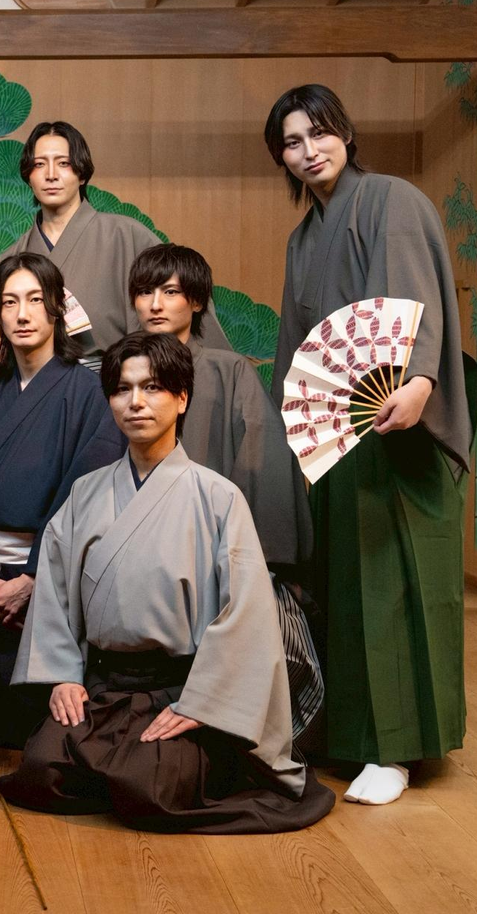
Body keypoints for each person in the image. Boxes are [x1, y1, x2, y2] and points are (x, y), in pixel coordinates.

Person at [0, 332, 335, 833]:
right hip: (104, 686)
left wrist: (202, 703)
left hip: (181, 690)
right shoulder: (86, 492)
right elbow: (55, 592)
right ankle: (116, 766)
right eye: (122, 389)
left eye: (152, 387)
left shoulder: (218, 497)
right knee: (41, 771)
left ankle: (163, 763)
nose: (135, 402)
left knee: (149, 788)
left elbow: (246, 614)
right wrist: (64, 674)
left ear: (181, 399)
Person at [265, 84, 471, 806]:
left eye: (319, 133)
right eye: (292, 143)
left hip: (399, 427)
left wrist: (419, 382)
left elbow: (415, 303)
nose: (309, 151)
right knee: (346, 589)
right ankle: (350, 735)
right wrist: (296, 429)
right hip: (339, 438)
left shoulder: (391, 200)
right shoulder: (302, 239)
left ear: (346, 134)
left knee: (396, 584)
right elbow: (299, 351)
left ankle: (397, 749)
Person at [130, 245, 323, 739]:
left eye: (170, 292)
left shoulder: (228, 370)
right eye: (145, 292)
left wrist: (255, 560)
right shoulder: (123, 371)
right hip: (139, 556)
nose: (156, 304)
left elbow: (262, 460)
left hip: (216, 554)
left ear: (196, 302)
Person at [0, 253, 127, 748]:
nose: (22, 314)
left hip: (47, 582)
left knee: (39, 734)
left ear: (56, 309)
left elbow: (84, 495)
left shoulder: (88, 392)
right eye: (9, 302)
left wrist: (31, 579)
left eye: (34, 300)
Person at [0, 120, 230, 365]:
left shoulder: (127, 235)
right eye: (39, 164)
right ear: (28, 176)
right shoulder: (11, 258)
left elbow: (185, 304)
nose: (51, 175)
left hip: (119, 379)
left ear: (82, 174)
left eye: (63, 163)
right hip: (37, 379)